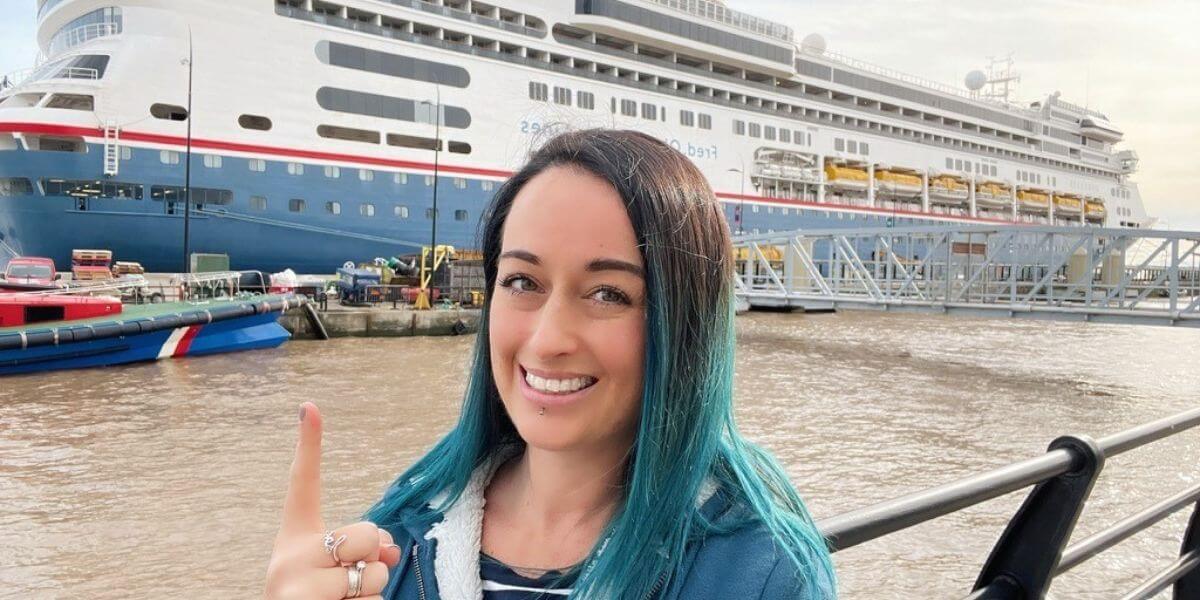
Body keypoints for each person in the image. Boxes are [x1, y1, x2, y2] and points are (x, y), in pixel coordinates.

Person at [265, 129, 837, 599]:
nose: (547, 339)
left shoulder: (760, 574)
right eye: (522, 282)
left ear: (686, 326)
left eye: (608, 293)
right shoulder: (398, 541)